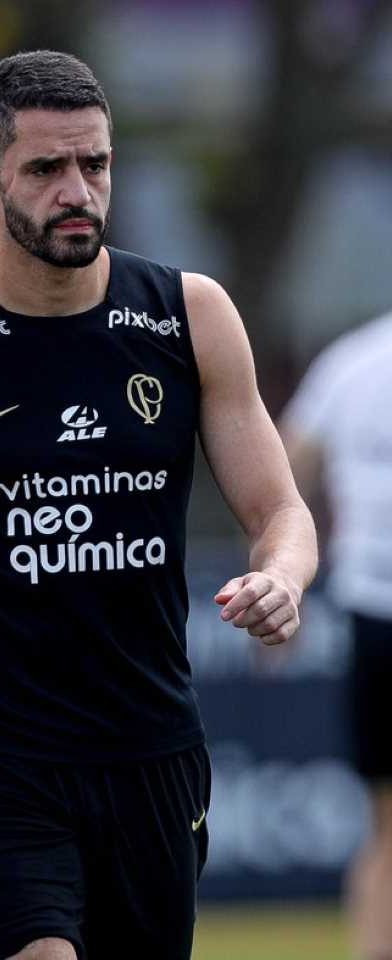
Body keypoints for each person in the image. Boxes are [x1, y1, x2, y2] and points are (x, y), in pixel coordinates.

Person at [0, 51, 317, 960]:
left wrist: (282, 578)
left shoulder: (188, 315)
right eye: (47, 169)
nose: (78, 190)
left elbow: (282, 510)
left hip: (152, 747)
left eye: (96, 165)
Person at [281, 313, 392, 960]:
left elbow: (284, 472)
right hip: (374, 607)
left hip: (371, 608)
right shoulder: (352, 359)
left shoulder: (351, 361)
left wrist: (278, 574)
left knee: (385, 827)